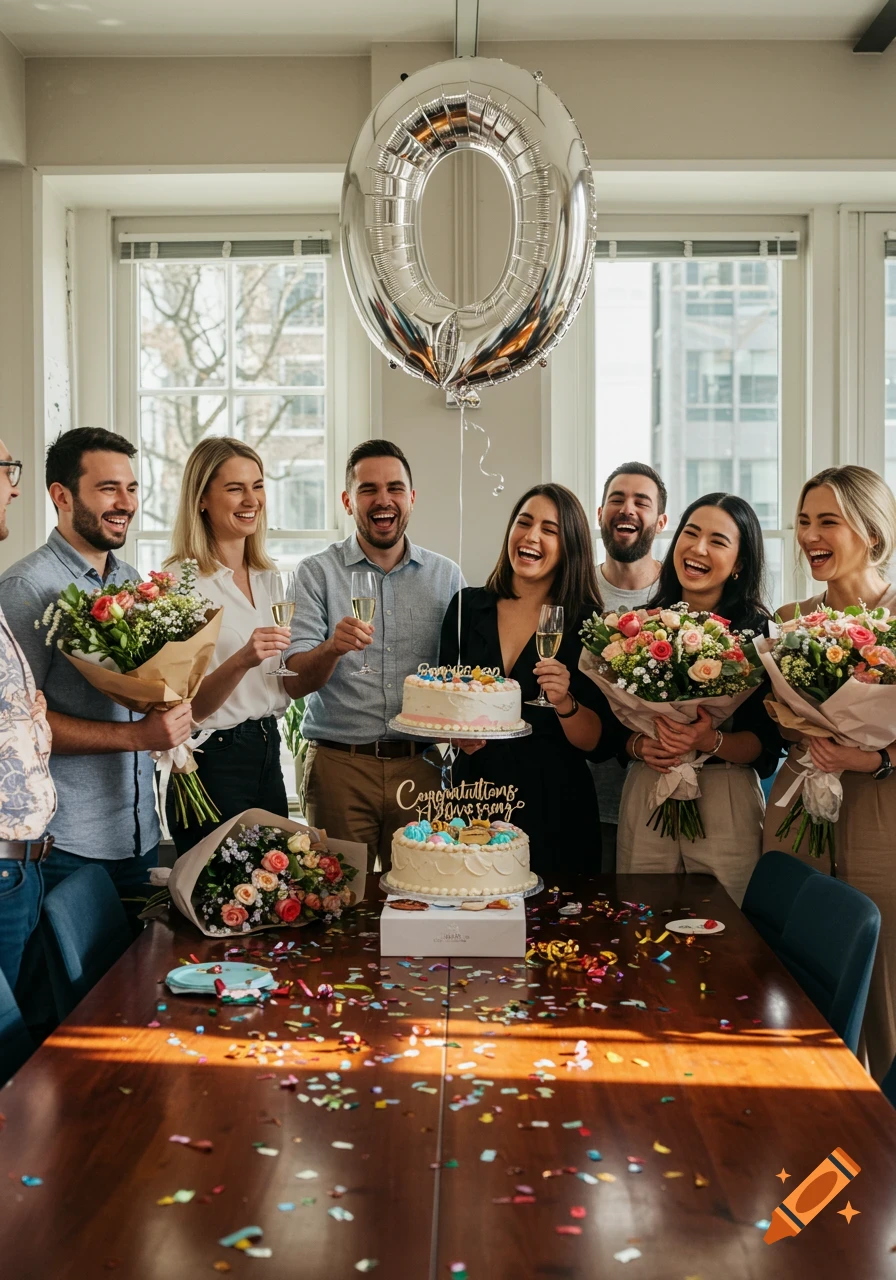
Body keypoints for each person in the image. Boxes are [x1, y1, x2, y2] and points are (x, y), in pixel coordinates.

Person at [0, 428, 193, 905]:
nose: (125, 502)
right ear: (61, 496)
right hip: (67, 845)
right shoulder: (25, 588)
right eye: (108, 488)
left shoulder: (132, 581)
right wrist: (139, 737)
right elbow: (18, 726)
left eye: (131, 488)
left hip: (139, 835)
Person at [763, 465, 896, 1081]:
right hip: (797, 807)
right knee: (791, 972)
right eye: (803, 521)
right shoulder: (790, 617)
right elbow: (784, 727)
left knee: (885, 984)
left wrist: (871, 757)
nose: (809, 535)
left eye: (827, 521)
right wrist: (807, 728)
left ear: (871, 532)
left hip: (881, 810)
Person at [284, 440, 463, 873]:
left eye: (395, 488)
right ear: (348, 501)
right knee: (338, 904)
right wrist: (332, 648)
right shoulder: (315, 573)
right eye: (368, 489)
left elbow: (461, 677)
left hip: (422, 767)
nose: (383, 499)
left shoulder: (447, 576)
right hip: (340, 768)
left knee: (426, 895)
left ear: (411, 499)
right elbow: (293, 682)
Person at [440, 483, 625, 877]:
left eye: (550, 529)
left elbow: (598, 743)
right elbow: (442, 702)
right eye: (524, 522)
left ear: (570, 546)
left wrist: (566, 703)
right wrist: (455, 734)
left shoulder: (591, 625)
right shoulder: (467, 607)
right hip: (475, 797)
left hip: (555, 805)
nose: (532, 536)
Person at [617, 493, 781, 907]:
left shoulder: (761, 635)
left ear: (740, 563)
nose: (698, 548)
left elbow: (767, 744)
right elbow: (611, 730)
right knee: (641, 929)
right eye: (691, 533)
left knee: (729, 938)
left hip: (725, 798)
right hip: (649, 787)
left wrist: (708, 741)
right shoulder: (638, 626)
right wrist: (640, 744)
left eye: (718, 541)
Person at [163, 437, 293, 855]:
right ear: (201, 499)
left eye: (257, 485)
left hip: (268, 749)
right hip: (214, 762)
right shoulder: (180, 583)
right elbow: (191, 710)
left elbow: (280, 682)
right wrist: (242, 659)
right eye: (235, 488)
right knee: (218, 901)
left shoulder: (268, 577)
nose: (251, 499)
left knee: (272, 895)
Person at [591, 462, 668, 872]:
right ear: (599, 512)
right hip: (588, 800)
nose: (628, 509)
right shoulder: (574, 590)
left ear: (661, 520)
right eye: (617, 499)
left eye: (642, 501)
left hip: (666, 795)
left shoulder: (680, 596)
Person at [0, 444, 56, 990]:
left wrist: (31, 715)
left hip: (21, 866)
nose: (14, 488)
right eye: (6, 471)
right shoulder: (21, 587)